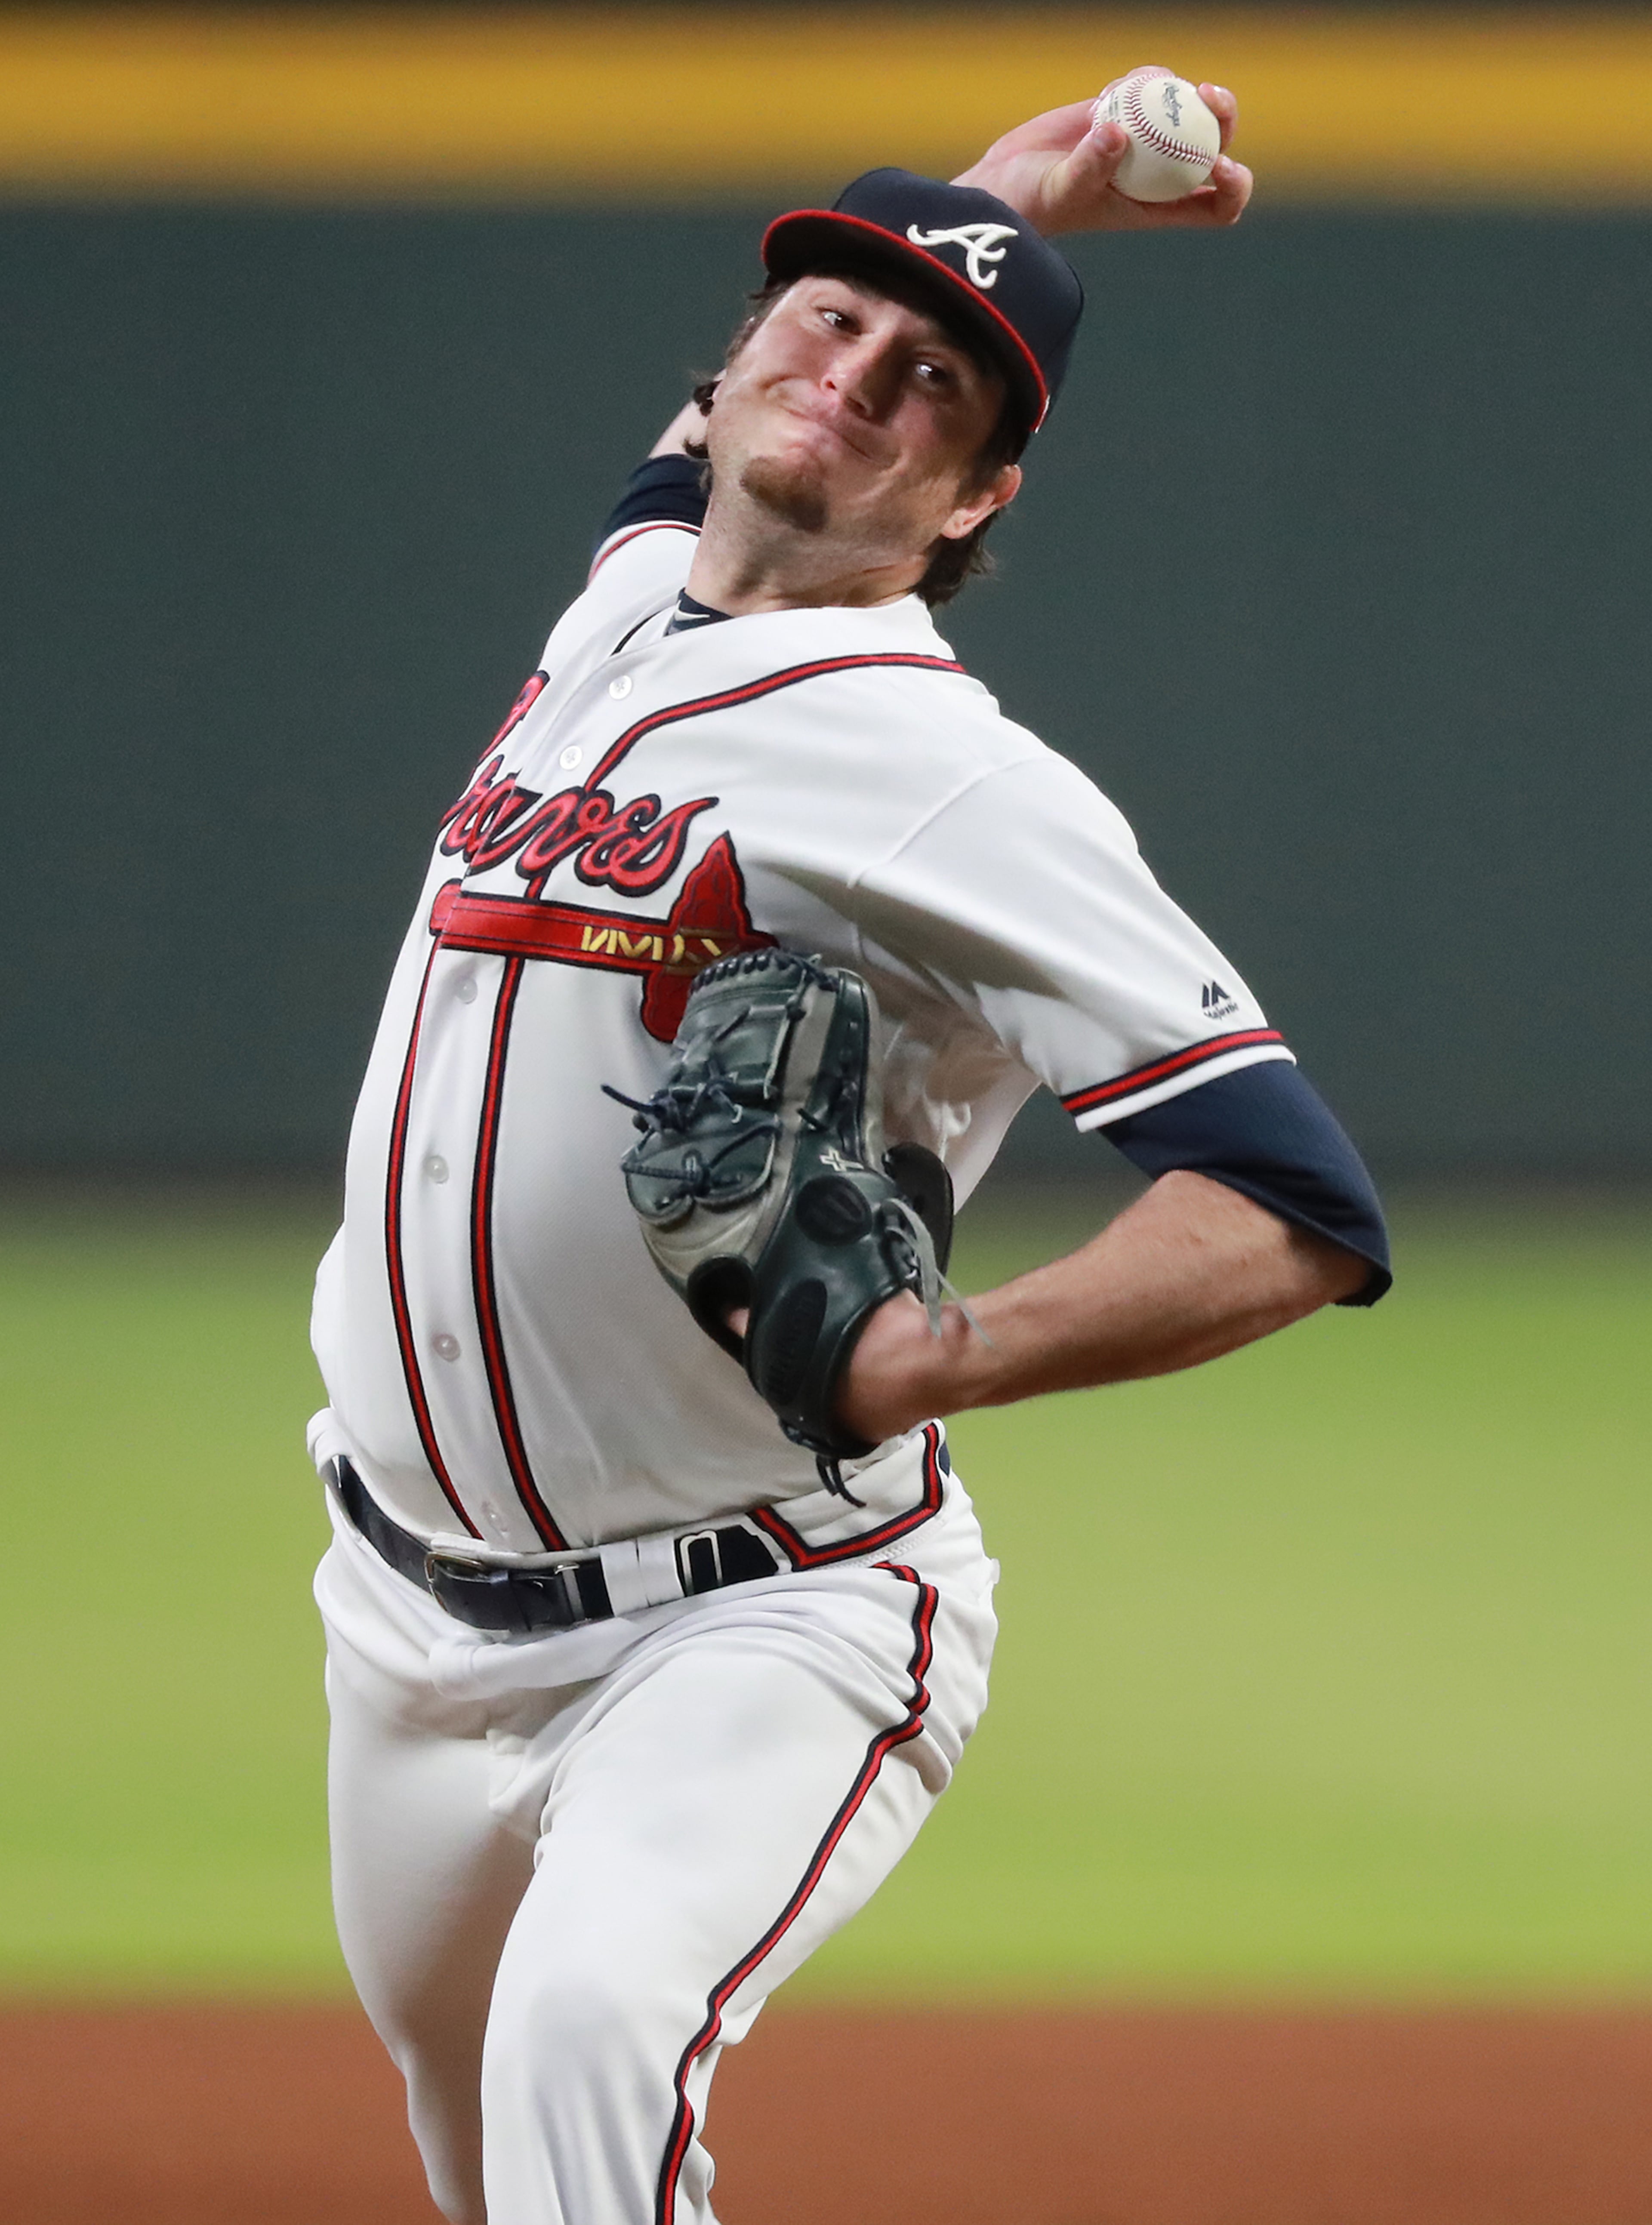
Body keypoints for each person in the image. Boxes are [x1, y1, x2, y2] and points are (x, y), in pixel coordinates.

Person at [306, 81, 1389, 2225]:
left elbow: (1294, 1208)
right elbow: (793, 393)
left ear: (975, 496)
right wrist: (1013, 201)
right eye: (824, 326)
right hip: (401, 1616)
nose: (858, 379)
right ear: (715, 386)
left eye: (933, 387)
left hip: (759, 1614)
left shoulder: (945, 776)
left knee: (591, 2047)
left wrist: (939, 1355)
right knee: (474, 2141)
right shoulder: (630, 605)